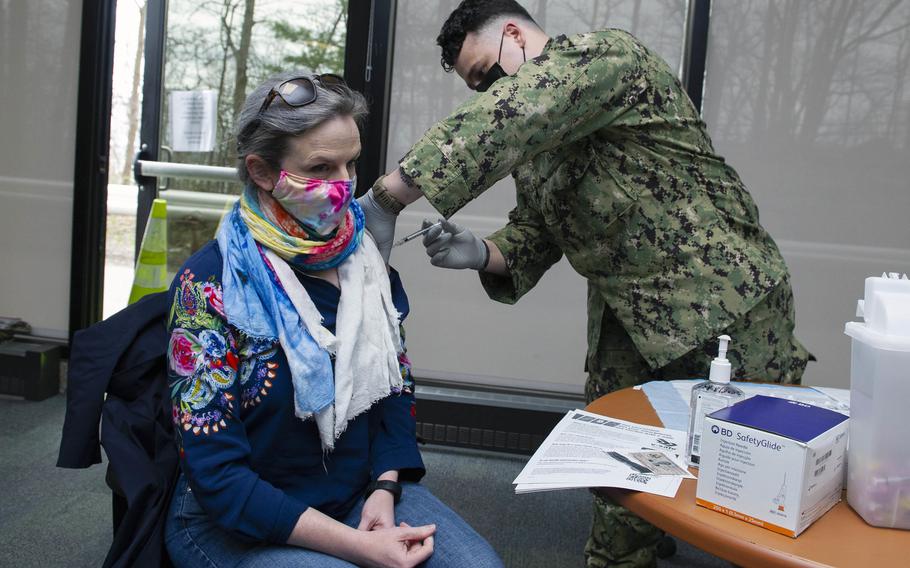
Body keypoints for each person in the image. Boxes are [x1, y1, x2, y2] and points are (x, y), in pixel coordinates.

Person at [357, 1, 812, 567]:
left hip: (725, 307)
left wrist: (388, 195)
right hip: (628, 320)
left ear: (516, 35)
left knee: (761, 478)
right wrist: (480, 252)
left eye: (487, 75)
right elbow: (535, 236)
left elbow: (517, 112)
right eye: (478, 88)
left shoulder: (610, 58)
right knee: (620, 469)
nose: (490, 92)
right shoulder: (541, 144)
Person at [164, 69, 504, 568]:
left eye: (351, 164)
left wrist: (385, 491)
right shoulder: (209, 286)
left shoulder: (364, 264)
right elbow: (219, 479)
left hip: (356, 496)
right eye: (321, 168)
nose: (345, 186)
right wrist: (360, 550)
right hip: (237, 522)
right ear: (262, 172)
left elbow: (395, 394)